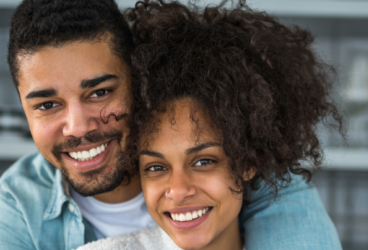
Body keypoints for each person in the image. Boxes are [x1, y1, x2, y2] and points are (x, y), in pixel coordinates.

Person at [0, 0, 342, 249]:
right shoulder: (16, 208)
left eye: (99, 92)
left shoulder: (260, 172)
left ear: (138, 79)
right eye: (47, 104)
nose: (76, 126)